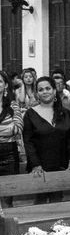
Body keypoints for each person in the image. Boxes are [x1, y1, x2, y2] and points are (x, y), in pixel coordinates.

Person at [23, 76, 70, 203]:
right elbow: (28, 142)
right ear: (37, 93)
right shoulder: (30, 114)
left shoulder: (65, 113)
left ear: (54, 91)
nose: (45, 92)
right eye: (41, 90)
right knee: (40, 204)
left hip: (60, 166)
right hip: (40, 168)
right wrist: (36, 165)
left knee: (57, 202)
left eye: (48, 88)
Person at [0, 71, 23, 207]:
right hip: (8, 143)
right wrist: (7, 130)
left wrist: (9, 130)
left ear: (5, 85)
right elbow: (10, 129)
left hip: (9, 154)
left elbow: (17, 129)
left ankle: (7, 228)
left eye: (0, 81)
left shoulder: (13, 105)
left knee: (7, 201)